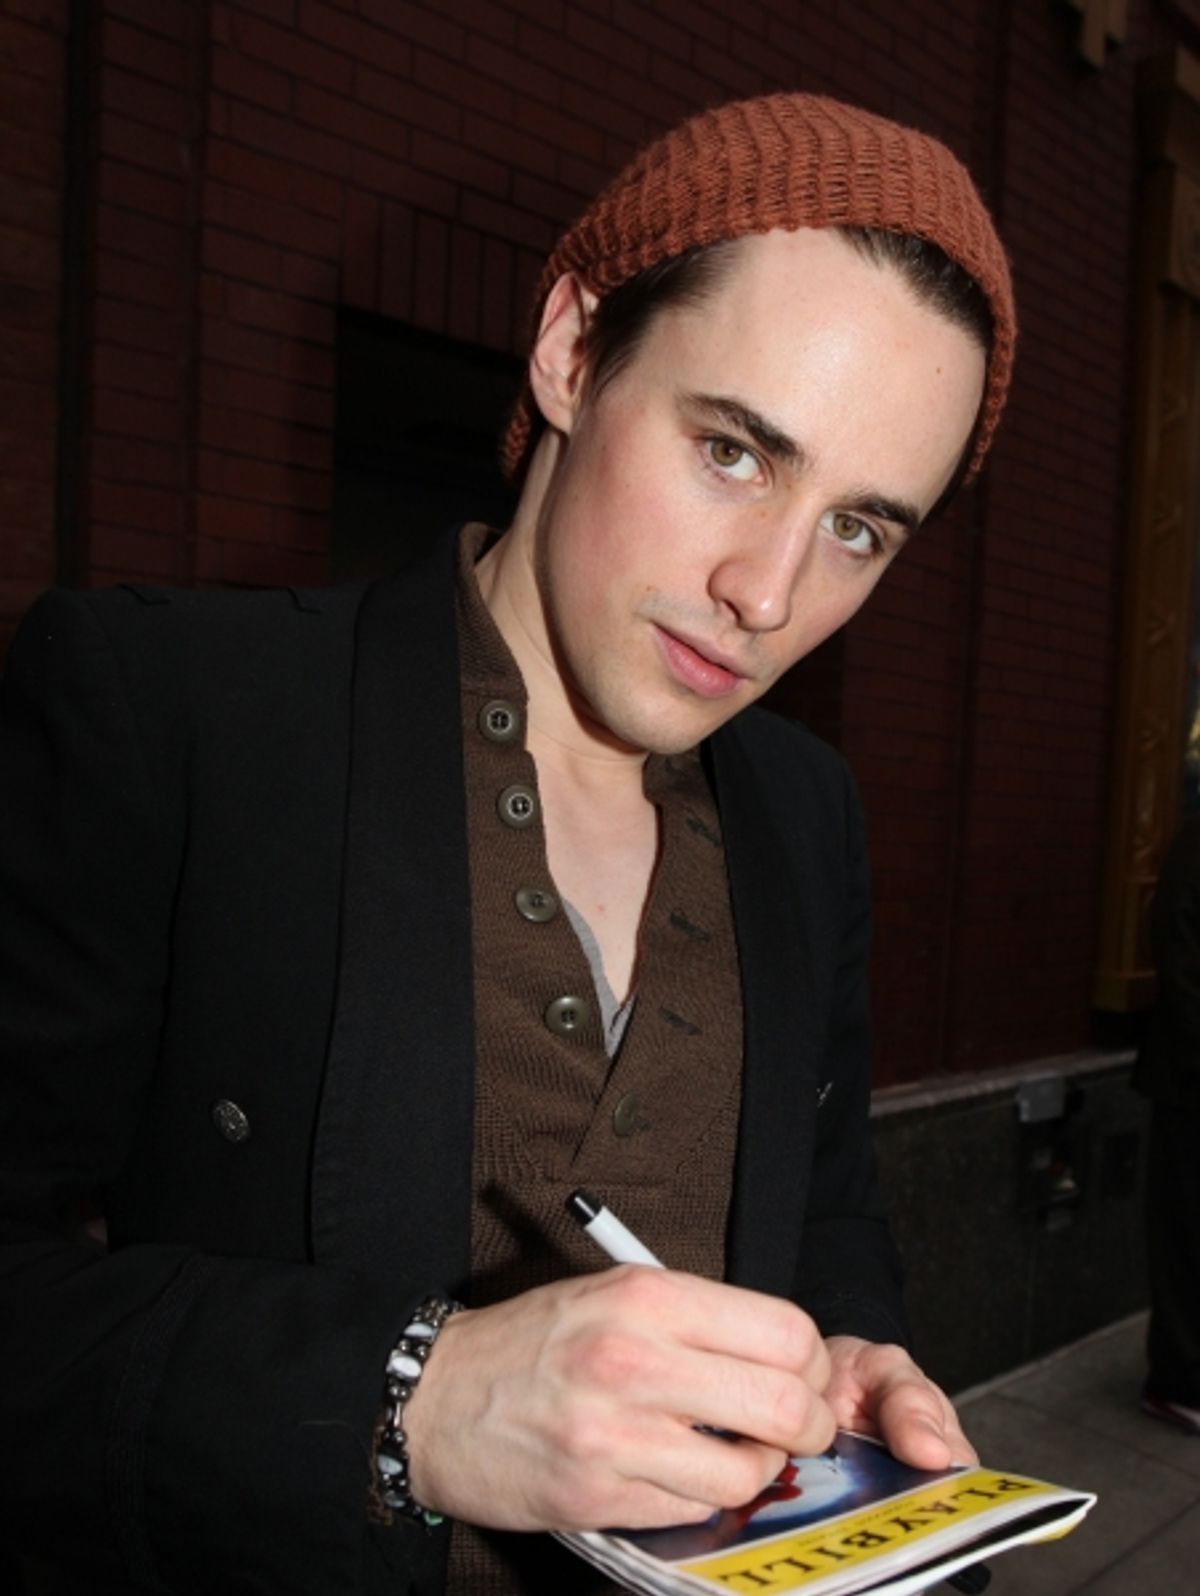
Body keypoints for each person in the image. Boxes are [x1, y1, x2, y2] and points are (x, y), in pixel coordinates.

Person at [0, 92, 1015, 1595]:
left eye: (861, 529)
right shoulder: (176, 714)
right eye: (736, 451)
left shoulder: (807, 817)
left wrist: (848, 1365)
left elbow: (829, 1206)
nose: (768, 591)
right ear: (570, 349)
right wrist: (408, 1402)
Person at [1135, 816, 1200, 1434]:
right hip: (1189, 1082)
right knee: (1185, 1230)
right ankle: (1177, 1379)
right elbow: (1177, 954)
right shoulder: (1197, 838)